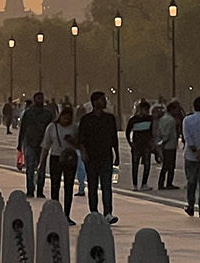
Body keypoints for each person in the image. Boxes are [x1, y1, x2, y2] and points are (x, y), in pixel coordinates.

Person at [76, 91, 120, 223]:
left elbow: (114, 138)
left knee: (107, 186)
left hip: (106, 156)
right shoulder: (86, 119)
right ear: (95, 102)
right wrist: (83, 153)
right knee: (93, 186)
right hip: (91, 157)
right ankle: (94, 211)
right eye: (102, 99)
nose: (104, 102)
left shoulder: (110, 118)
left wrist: (117, 155)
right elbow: (81, 139)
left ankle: (108, 212)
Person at [42, 104, 80, 221]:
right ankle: (55, 213)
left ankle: (67, 214)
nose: (66, 120)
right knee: (55, 186)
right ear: (60, 116)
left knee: (69, 187)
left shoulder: (74, 128)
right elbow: (45, 146)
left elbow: (80, 144)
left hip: (70, 159)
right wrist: (41, 163)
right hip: (55, 158)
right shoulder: (52, 127)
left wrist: (72, 141)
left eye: (69, 118)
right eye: (64, 117)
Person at [18, 92, 53, 199]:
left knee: (41, 168)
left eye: (42, 99)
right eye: (38, 98)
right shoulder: (28, 113)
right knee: (30, 168)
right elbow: (23, 129)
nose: (40, 100)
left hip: (43, 144)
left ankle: (40, 191)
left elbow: (51, 128)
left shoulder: (48, 114)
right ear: (34, 99)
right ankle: (30, 190)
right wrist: (20, 144)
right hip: (30, 142)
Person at [126, 100, 156, 189]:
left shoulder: (149, 118)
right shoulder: (133, 120)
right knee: (135, 165)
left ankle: (144, 183)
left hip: (146, 144)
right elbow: (127, 132)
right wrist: (130, 143)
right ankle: (135, 184)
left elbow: (152, 131)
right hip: (137, 144)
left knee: (147, 164)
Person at [154, 99, 181, 190]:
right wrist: (164, 141)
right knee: (170, 166)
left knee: (165, 165)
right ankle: (169, 183)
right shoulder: (171, 120)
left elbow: (160, 131)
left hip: (165, 145)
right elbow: (168, 133)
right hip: (170, 145)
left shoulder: (163, 119)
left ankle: (161, 183)